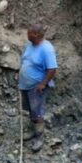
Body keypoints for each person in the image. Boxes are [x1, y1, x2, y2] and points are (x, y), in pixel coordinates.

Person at [17, 24, 57, 152]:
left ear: (36, 35)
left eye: (29, 33)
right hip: (26, 85)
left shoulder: (46, 49)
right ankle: (32, 131)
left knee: (37, 112)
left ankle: (39, 137)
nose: (27, 34)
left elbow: (52, 69)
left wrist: (43, 84)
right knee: (30, 110)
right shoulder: (30, 45)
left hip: (37, 86)